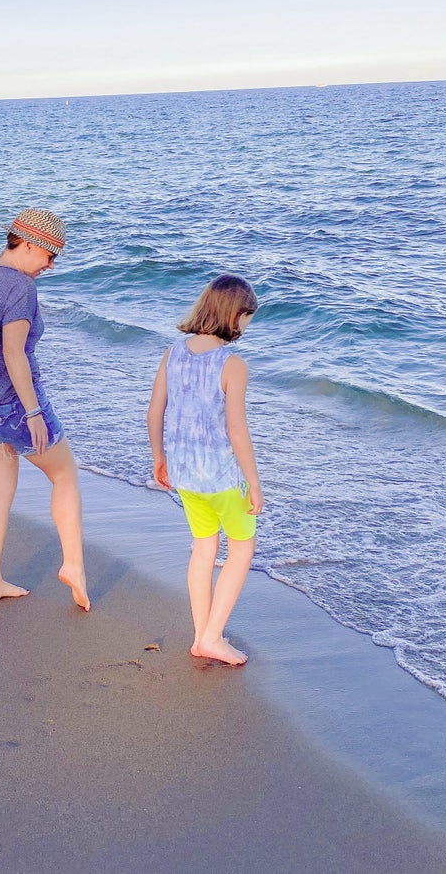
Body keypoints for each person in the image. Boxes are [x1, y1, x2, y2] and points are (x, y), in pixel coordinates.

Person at [0, 208, 90, 610]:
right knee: (64, 473)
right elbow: (13, 354)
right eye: (49, 254)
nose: (51, 265)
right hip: (9, 405)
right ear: (27, 244)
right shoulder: (20, 289)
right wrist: (33, 412)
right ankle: (73, 565)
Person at [147, 275, 264, 666]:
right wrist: (255, 482)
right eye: (248, 317)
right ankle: (212, 637)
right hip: (222, 477)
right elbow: (236, 429)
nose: (247, 325)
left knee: (203, 549)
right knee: (242, 549)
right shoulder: (233, 364)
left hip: (184, 473)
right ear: (236, 315)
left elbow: (155, 410)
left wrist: (158, 458)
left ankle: (202, 634)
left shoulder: (173, 353)